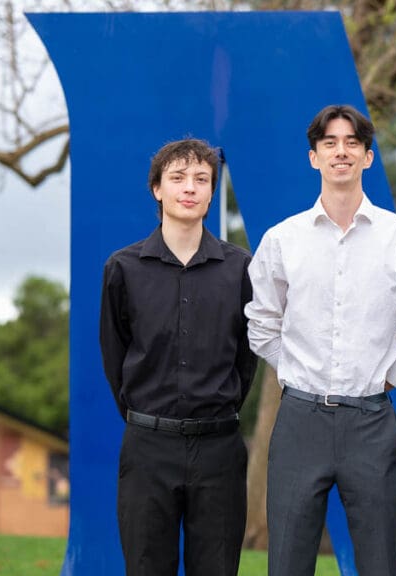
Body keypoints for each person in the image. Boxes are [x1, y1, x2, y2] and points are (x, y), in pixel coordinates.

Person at [245, 104, 396, 576]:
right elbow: (261, 324)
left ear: (368, 157)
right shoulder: (282, 240)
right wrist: (294, 368)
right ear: (313, 157)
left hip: (371, 422)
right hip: (299, 420)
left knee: (380, 562)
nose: (341, 152)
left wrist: (385, 380)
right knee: (288, 562)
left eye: (352, 143)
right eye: (330, 143)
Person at [99, 138, 257, 576]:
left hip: (219, 448)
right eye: (178, 178)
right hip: (148, 446)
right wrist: (148, 415)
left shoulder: (241, 269)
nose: (190, 188)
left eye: (201, 179)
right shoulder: (123, 268)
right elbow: (116, 356)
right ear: (157, 189)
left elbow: (246, 359)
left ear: (211, 192)